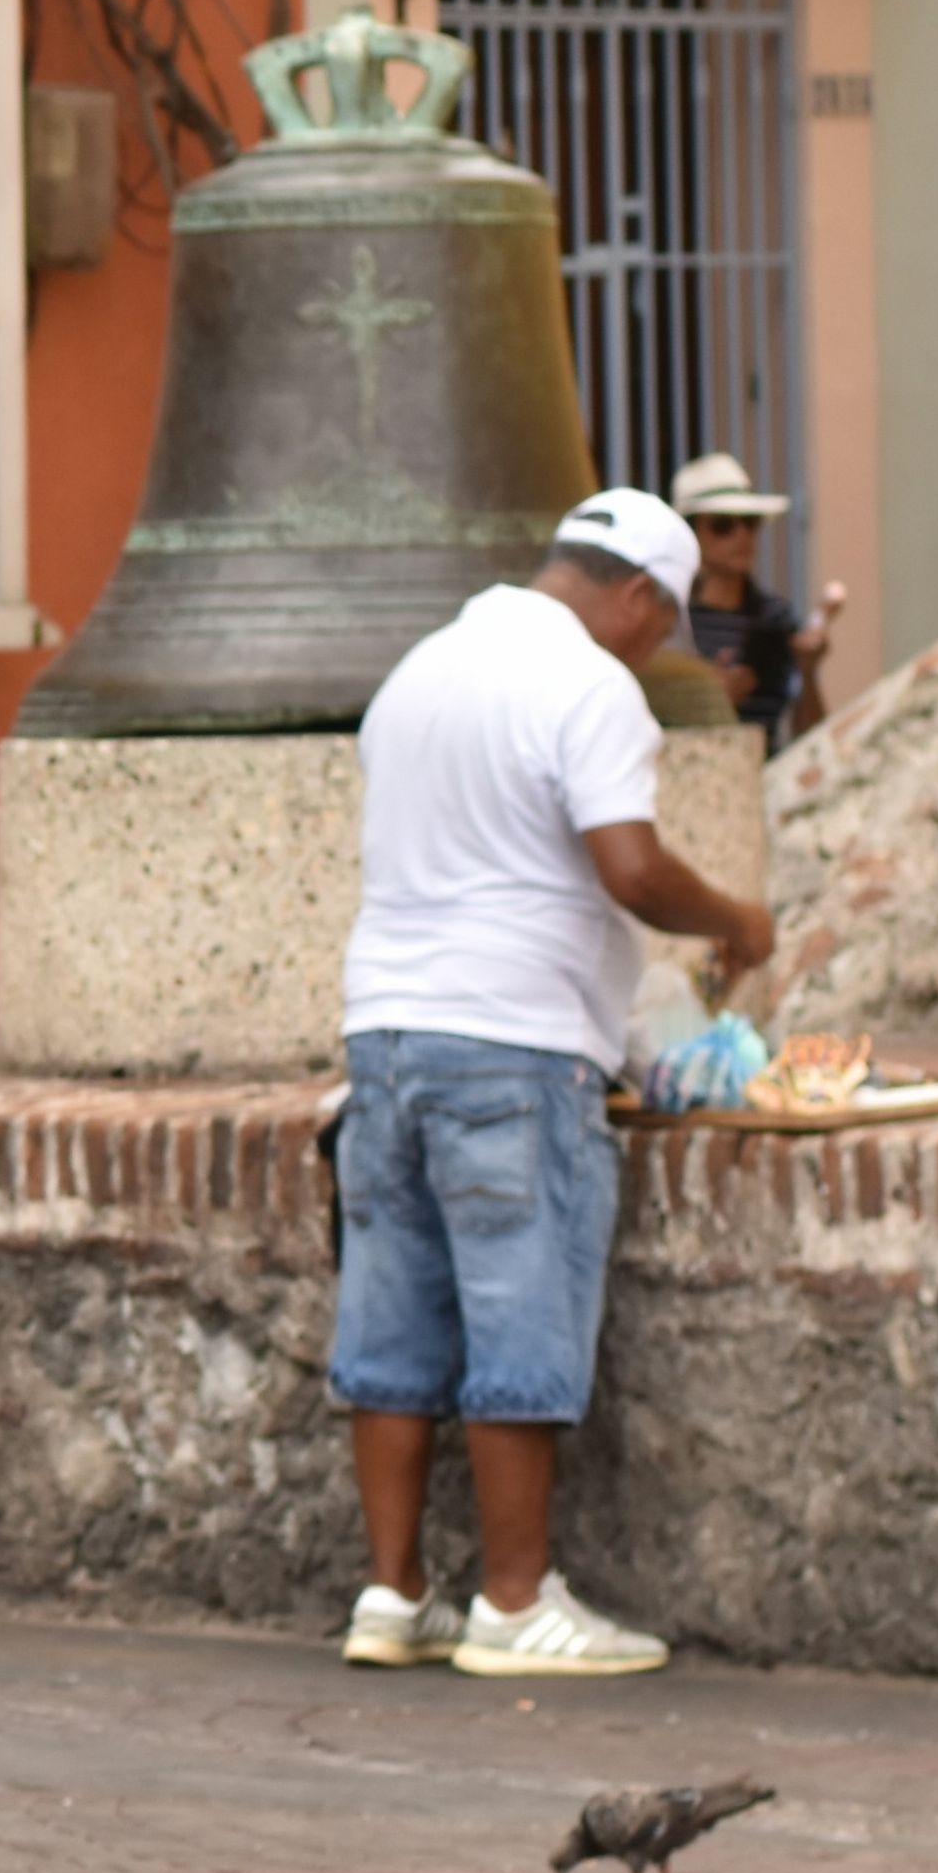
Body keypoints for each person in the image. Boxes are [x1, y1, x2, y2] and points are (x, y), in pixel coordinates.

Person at [333, 484, 776, 1681]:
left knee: (392, 1314)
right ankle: (517, 1603)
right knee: (518, 1311)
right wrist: (734, 917)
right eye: (663, 622)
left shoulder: (419, 669)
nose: (659, 647)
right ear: (635, 595)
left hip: (382, 1032)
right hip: (513, 1043)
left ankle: (393, 1592)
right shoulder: (588, 687)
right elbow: (628, 867)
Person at [664, 453, 834, 750]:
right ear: (690, 534)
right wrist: (710, 704)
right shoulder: (668, 619)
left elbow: (810, 738)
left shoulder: (775, 618)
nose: (741, 536)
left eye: (750, 522)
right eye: (723, 525)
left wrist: (808, 670)